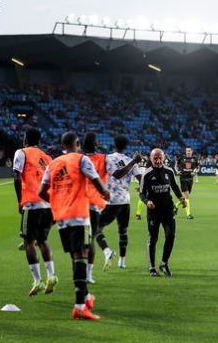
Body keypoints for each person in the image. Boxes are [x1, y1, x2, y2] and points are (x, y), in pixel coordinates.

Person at [38, 132, 110, 320]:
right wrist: (106, 194)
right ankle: (79, 306)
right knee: (81, 257)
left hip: (61, 217)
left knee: (75, 257)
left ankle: (85, 296)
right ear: (77, 143)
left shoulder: (53, 163)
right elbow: (98, 184)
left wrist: (56, 203)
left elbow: (41, 191)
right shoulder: (82, 160)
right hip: (79, 215)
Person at [13, 128, 57, 296]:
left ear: (25, 139)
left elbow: (16, 176)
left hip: (31, 204)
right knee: (43, 241)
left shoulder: (21, 152)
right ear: (39, 141)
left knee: (29, 242)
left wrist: (19, 200)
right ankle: (51, 276)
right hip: (48, 205)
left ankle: (37, 280)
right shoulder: (47, 158)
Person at [95, 135, 142, 270]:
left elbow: (116, 174)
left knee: (96, 228)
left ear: (113, 144)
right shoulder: (130, 160)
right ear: (126, 146)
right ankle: (122, 260)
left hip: (111, 201)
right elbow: (140, 178)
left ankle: (108, 251)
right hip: (125, 201)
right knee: (123, 231)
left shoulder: (108, 158)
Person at [139, 148, 186, 277]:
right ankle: (152, 267)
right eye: (155, 158)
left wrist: (181, 198)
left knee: (171, 236)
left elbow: (175, 187)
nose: (158, 160)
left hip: (168, 210)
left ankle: (164, 264)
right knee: (153, 238)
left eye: (160, 158)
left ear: (164, 158)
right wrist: (147, 201)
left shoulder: (169, 171)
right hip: (153, 211)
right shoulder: (147, 174)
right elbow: (141, 193)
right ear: (151, 158)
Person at [82, 132, 109, 283]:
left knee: (80, 239)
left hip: (78, 203)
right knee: (90, 239)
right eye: (97, 140)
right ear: (94, 143)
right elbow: (117, 173)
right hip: (93, 205)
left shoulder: (79, 158)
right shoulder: (104, 158)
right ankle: (88, 274)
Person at [175, 146, 199, 219]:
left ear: (191, 151)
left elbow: (197, 168)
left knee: (185, 197)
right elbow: (176, 165)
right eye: (187, 151)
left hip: (190, 179)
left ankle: (175, 206)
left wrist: (194, 172)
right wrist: (177, 171)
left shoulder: (195, 159)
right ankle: (188, 214)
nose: (188, 152)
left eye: (189, 151)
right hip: (183, 178)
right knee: (187, 195)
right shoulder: (181, 158)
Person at [135, 154, 150, 220]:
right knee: (143, 197)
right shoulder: (149, 162)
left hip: (152, 181)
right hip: (146, 181)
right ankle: (138, 214)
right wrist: (141, 185)